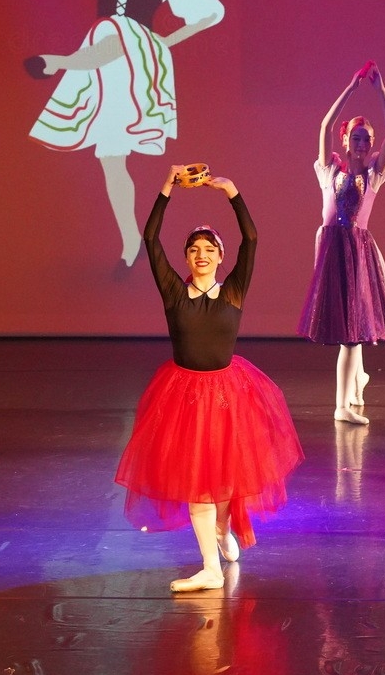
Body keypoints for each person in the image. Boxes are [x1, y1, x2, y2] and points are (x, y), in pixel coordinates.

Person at [27, 0, 224, 267]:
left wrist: (165, 42)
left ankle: (59, 63)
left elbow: (211, 12)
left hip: (137, 60)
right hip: (106, 67)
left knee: (116, 33)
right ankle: (131, 240)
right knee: (112, 160)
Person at [114, 167, 304, 593]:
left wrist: (231, 192)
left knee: (222, 483)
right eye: (194, 249)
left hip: (229, 395)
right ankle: (210, 569)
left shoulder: (232, 291)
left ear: (220, 257)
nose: (201, 254)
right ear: (186, 258)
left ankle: (222, 529)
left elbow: (251, 239)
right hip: (183, 396)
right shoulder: (174, 293)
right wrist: (166, 188)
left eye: (209, 249)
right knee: (197, 483)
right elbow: (150, 239)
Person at [298, 64, 385, 425]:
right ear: (347, 141)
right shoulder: (330, 171)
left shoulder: (373, 176)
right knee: (347, 327)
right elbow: (324, 126)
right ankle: (349, 395)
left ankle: (351, 391)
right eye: (356, 137)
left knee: (355, 327)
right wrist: (351, 87)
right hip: (332, 250)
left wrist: (381, 91)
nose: (361, 143)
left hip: (357, 251)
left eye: (366, 139)